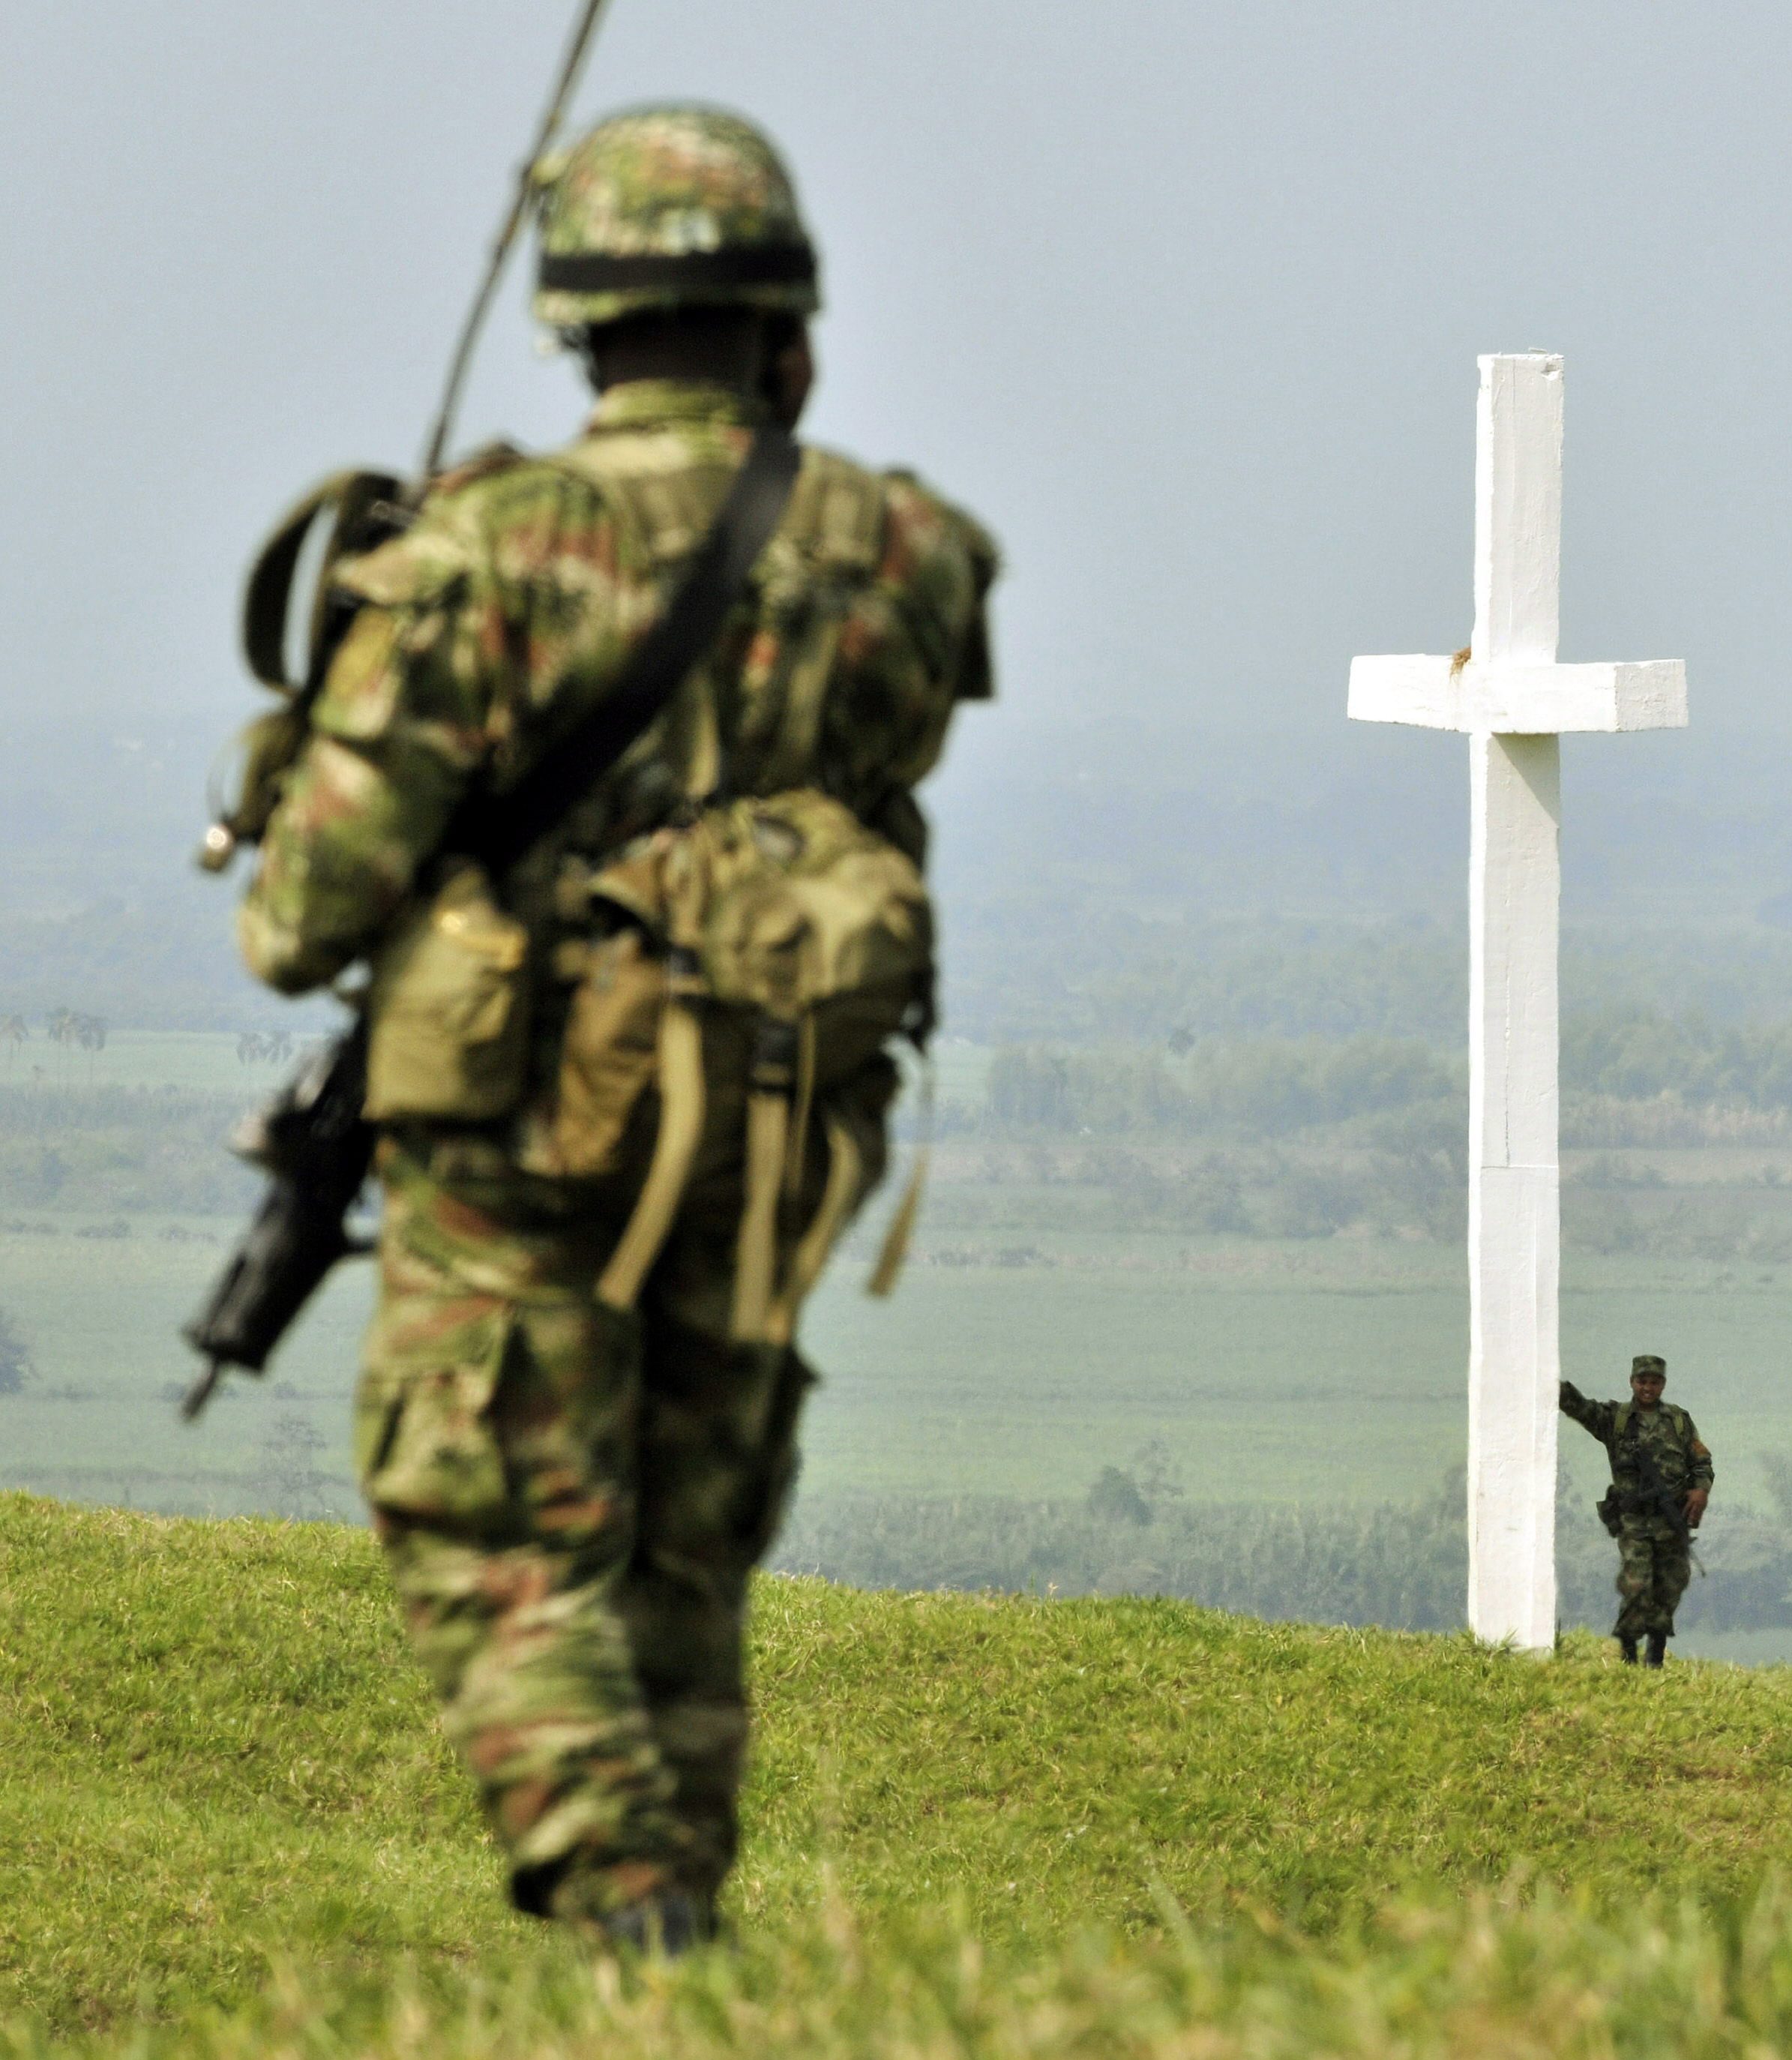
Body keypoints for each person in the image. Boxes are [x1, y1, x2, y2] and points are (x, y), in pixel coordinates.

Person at [232, 106, 996, 1950]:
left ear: (580, 317)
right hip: (769, 1121)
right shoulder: (905, 554)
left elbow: (302, 918)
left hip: (525, 1140)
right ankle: (671, 1981)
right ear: (782, 324)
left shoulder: (485, 551)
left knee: (495, 1530)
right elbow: (881, 776)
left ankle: (638, 1909)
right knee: (681, 1555)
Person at [1558, 1354, 1713, 1666]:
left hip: (1672, 1519)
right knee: (1637, 1585)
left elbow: (1701, 1462)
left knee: (1669, 1586)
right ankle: (1629, 1653)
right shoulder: (1616, 1419)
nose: (1648, 1387)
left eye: (1654, 1382)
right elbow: (1581, 1408)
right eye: (1642, 1381)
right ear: (1632, 1382)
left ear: (1663, 1385)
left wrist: (1700, 1490)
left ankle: (1655, 1656)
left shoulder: (1679, 1421)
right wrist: (1552, 1383)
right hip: (1635, 1521)